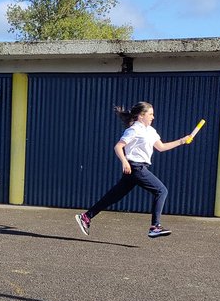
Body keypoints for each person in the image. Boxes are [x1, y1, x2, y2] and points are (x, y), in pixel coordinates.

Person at [74, 101, 188, 239]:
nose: (153, 117)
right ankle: (155, 227)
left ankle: (86, 216)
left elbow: (161, 147)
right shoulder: (134, 130)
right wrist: (124, 161)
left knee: (113, 196)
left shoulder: (151, 131)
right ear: (141, 115)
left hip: (137, 168)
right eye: (150, 114)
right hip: (136, 167)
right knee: (161, 190)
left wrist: (182, 141)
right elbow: (118, 147)